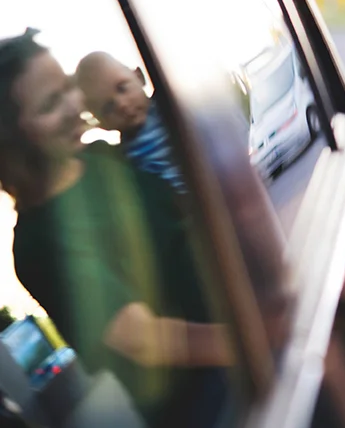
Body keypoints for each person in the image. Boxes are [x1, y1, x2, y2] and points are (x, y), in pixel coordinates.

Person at [0, 30, 230, 426]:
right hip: (213, 399)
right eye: (51, 103)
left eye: (68, 87)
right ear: (14, 140)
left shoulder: (106, 155)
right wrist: (249, 340)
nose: (76, 105)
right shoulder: (40, 243)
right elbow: (143, 339)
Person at [75, 50, 186, 193]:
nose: (122, 105)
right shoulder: (120, 160)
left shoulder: (171, 107)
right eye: (108, 107)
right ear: (102, 123)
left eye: (122, 88)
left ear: (139, 77)